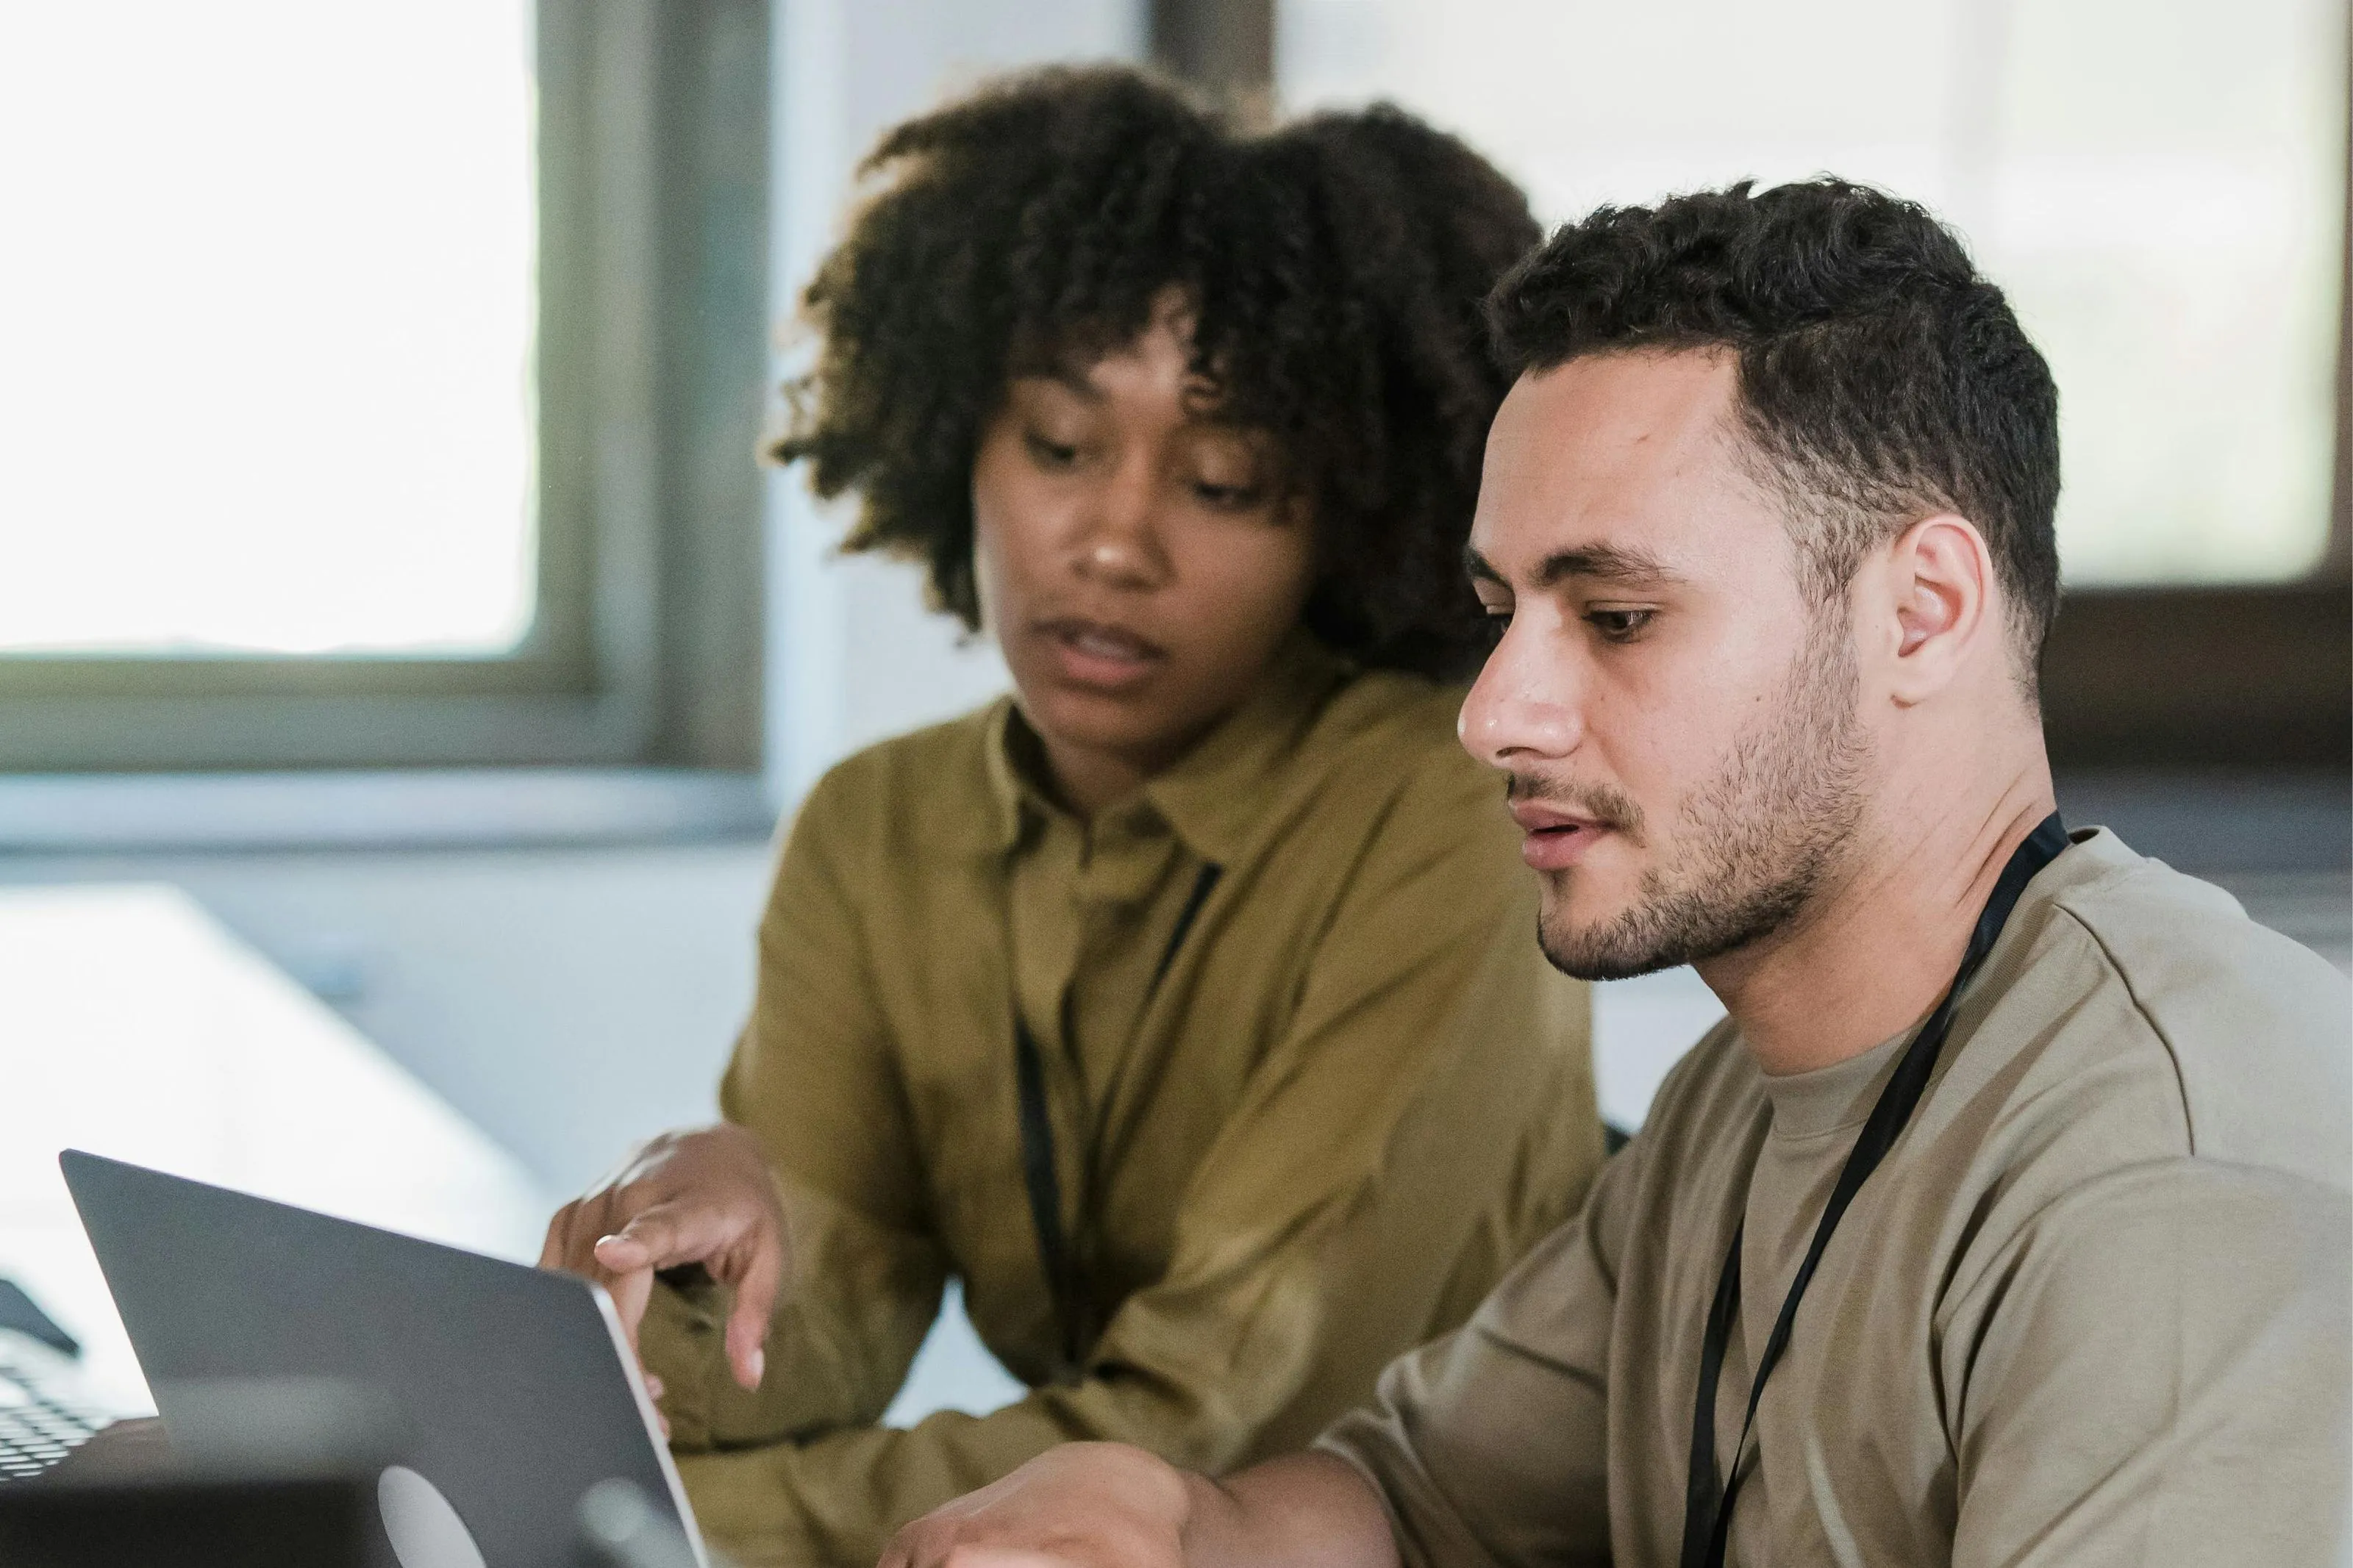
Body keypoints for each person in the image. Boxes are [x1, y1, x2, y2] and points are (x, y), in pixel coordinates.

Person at [878, 180, 2353, 1568]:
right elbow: (1413, 1499)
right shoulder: (1741, 1101)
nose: (1492, 713)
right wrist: (1186, 1525)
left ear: (1922, 611)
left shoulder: (2174, 1173)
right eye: (1501, 610)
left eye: (1620, 614)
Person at [538, 68, 1607, 1567]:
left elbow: (1224, 1417)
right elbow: (812, 1332)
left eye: (1226, 480)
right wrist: (702, 1260)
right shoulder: (876, 830)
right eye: (1056, 445)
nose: (1113, 542)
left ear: (1350, 518)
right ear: (952, 438)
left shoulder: (1442, 818)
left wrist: (620, 1519)